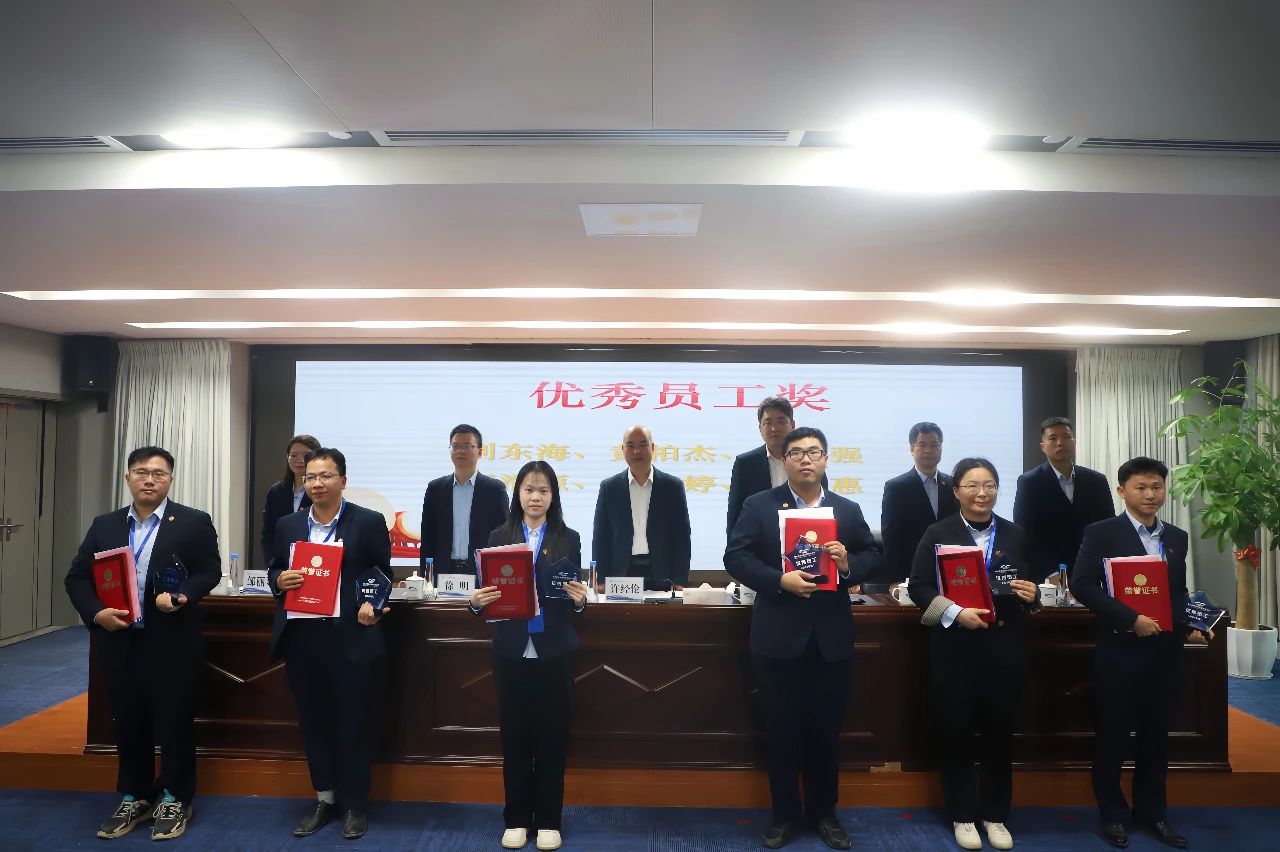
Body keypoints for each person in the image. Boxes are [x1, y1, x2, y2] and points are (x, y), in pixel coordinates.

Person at [724, 427, 879, 850]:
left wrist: (847, 565)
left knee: (826, 731)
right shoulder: (759, 505)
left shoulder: (846, 509)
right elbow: (735, 556)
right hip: (777, 637)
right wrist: (779, 580)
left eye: (814, 452)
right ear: (784, 460)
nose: (805, 459)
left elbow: (873, 555)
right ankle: (784, 815)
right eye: (796, 453)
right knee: (781, 731)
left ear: (826, 459)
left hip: (830, 639)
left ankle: (825, 813)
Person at [65, 446, 221, 841]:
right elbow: (78, 577)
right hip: (120, 640)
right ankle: (134, 794)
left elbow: (209, 571)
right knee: (128, 720)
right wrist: (96, 614)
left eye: (158, 473)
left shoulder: (192, 522)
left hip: (172, 640)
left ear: (170, 479)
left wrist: (183, 595)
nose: (149, 480)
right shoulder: (105, 525)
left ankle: (174, 796)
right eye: (140, 472)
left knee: (174, 720)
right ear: (128, 478)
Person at [908, 458, 1041, 851]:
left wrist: (1033, 596)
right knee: (956, 732)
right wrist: (954, 612)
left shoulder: (1015, 534)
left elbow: (1032, 590)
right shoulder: (938, 533)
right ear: (956, 491)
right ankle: (963, 815)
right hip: (956, 649)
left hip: (1004, 648)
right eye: (972, 486)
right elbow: (919, 587)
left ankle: (996, 815)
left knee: (1000, 733)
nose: (982, 493)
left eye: (989, 485)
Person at [1072, 457, 1205, 850]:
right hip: (1120, 649)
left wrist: (1193, 622)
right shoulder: (1102, 532)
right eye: (1141, 487)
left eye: (1156, 487)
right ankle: (1112, 815)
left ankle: (1153, 814)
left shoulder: (1176, 536)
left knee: (1156, 737)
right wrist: (1130, 619)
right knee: (1113, 734)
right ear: (1122, 491)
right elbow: (1082, 584)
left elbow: (1176, 592)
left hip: (1165, 652)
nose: (1150, 494)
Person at [269, 448, 393, 841]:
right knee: (314, 722)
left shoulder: (368, 521)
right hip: (302, 638)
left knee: (353, 722)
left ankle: (355, 804)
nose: (317, 484)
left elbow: (381, 575)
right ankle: (324, 796)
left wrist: (373, 604)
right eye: (310, 477)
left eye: (325, 476)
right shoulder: (288, 524)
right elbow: (275, 568)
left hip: (349, 638)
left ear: (343, 480)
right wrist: (278, 580)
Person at [470, 460, 588, 852]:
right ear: (517, 494)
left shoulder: (568, 538)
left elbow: (574, 593)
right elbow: (483, 593)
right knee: (515, 737)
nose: (535, 497)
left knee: (553, 738)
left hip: (554, 650)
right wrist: (476, 602)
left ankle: (550, 820)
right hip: (511, 650)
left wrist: (580, 601)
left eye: (543, 490)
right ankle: (517, 819)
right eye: (528, 489)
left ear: (553, 496)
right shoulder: (498, 535)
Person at [592, 425, 691, 591]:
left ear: (653, 447)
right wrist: (600, 579)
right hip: (621, 573)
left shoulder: (673, 486)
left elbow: (682, 537)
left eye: (643, 444)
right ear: (622, 449)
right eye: (630, 445)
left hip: (662, 573)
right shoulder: (609, 487)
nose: (637, 451)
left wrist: (679, 579)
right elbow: (601, 537)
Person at [1013, 416, 1113, 581]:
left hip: (1093, 571)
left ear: (1074, 442)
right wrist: (1050, 574)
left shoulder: (1096, 480)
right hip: (1048, 575)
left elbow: (1108, 526)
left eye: (1066, 437)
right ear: (1043, 446)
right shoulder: (1029, 482)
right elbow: (1025, 532)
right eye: (1053, 438)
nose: (1060, 443)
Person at [726, 396, 827, 537]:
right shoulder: (745, 463)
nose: (774, 428)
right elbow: (735, 513)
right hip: (760, 540)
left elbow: (822, 507)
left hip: (803, 540)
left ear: (792, 425)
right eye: (768, 423)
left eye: (781, 421)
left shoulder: (809, 461)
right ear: (760, 428)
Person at [420, 424, 510, 580]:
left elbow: (504, 536)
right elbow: (428, 537)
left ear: (480, 452)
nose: (460, 451)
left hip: (482, 572)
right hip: (443, 572)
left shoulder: (494, 490)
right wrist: (426, 577)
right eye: (455, 446)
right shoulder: (436, 489)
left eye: (467, 446)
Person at [878, 421, 959, 586]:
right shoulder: (896, 487)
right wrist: (895, 580)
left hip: (951, 571)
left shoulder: (953, 485)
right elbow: (891, 536)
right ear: (911, 449)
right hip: (912, 572)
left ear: (941, 448)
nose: (928, 450)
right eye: (922, 445)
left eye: (934, 445)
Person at [261, 434, 320, 566]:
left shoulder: (322, 490)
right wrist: (273, 566)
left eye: (306, 455)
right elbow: (268, 534)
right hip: (282, 564)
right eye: (293, 455)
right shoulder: (276, 492)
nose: (299, 460)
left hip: (314, 562)